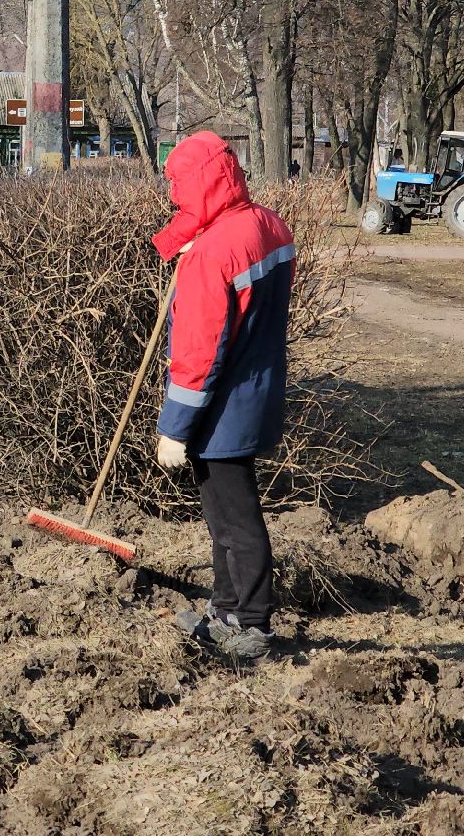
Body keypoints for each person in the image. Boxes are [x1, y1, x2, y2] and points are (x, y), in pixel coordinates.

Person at [151, 131, 295, 661]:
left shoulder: (211, 255)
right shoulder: (268, 224)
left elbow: (198, 353)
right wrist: (200, 243)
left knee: (235, 519)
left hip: (222, 407)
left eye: (177, 188)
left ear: (195, 185)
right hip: (256, 389)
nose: (174, 199)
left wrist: (174, 428)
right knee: (222, 517)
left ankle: (252, 626)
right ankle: (226, 610)